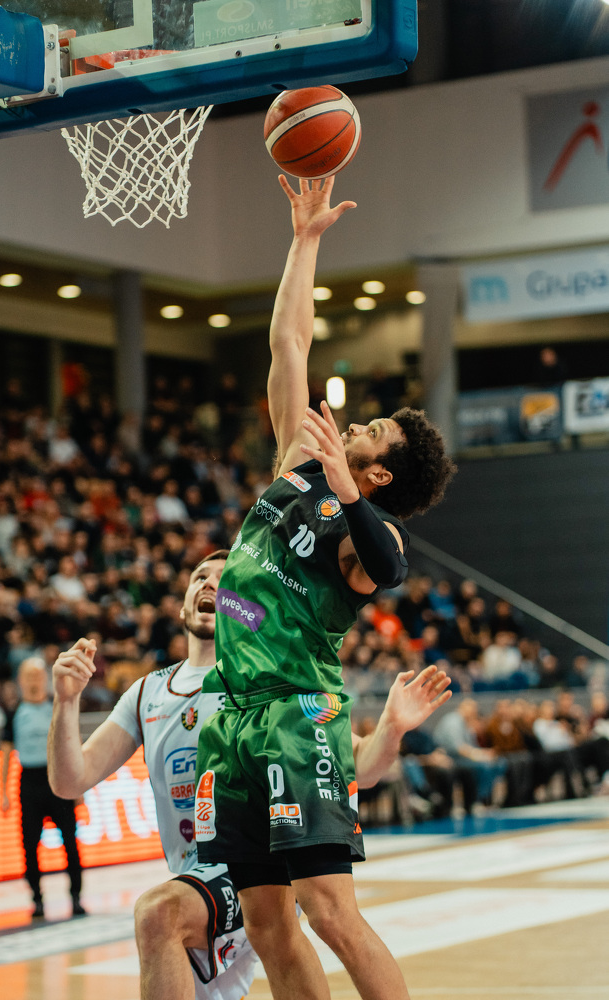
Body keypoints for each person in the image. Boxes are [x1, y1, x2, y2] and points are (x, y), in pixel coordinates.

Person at [194, 175, 456, 1000]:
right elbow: (289, 345)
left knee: (329, 910)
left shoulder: (370, 535)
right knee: (266, 923)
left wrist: (346, 494)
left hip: (296, 712)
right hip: (233, 716)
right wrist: (304, 241)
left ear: (378, 474)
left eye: (372, 434)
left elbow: (388, 571)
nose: (356, 424)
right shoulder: (295, 463)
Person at [47, 549, 451, 1000]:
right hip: (196, 878)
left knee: (159, 914)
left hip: (253, 867)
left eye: (223, 578)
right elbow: (69, 780)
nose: (208, 583)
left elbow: (360, 766)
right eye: (199, 576)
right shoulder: (147, 692)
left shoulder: (268, 677)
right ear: (181, 606)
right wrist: (66, 700)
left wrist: (391, 729)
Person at [0, 656, 85, 920]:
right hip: (29, 781)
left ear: (45, 679)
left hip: (58, 780)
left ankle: (76, 897)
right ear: (20, 681)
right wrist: (3, 791)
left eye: (38, 676)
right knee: (29, 844)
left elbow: (72, 743)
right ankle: (37, 899)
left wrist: (80, 786)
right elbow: (6, 753)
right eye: (29, 677)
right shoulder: (14, 713)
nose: (34, 681)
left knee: (70, 841)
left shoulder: (57, 707)